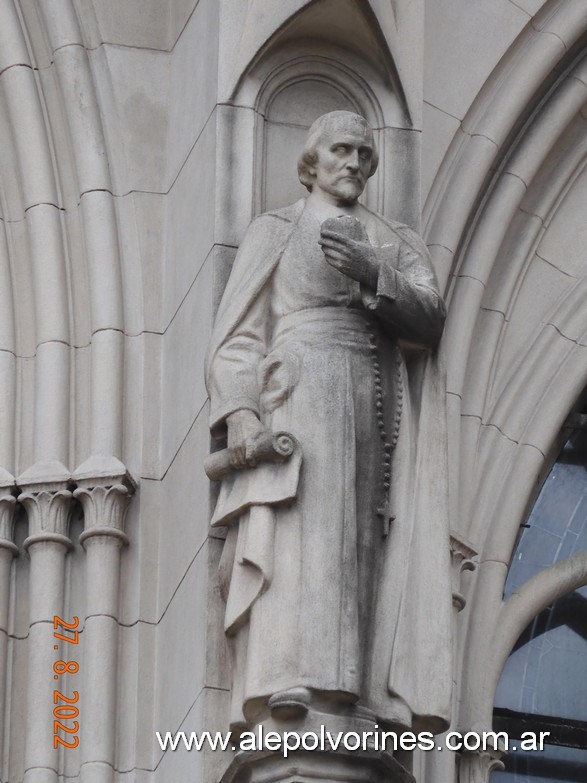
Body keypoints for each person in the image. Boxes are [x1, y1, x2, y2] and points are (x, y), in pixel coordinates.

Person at [205, 111, 452, 733]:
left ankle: (357, 692)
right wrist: (241, 413)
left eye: (365, 155)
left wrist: (375, 273)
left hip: (373, 398)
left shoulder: (392, 240)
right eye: (342, 150)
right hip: (297, 396)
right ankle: (281, 678)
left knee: (362, 540)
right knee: (296, 534)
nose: (354, 163)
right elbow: (236, 339)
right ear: (312, 161)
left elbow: (430, 315)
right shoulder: (277, 230)